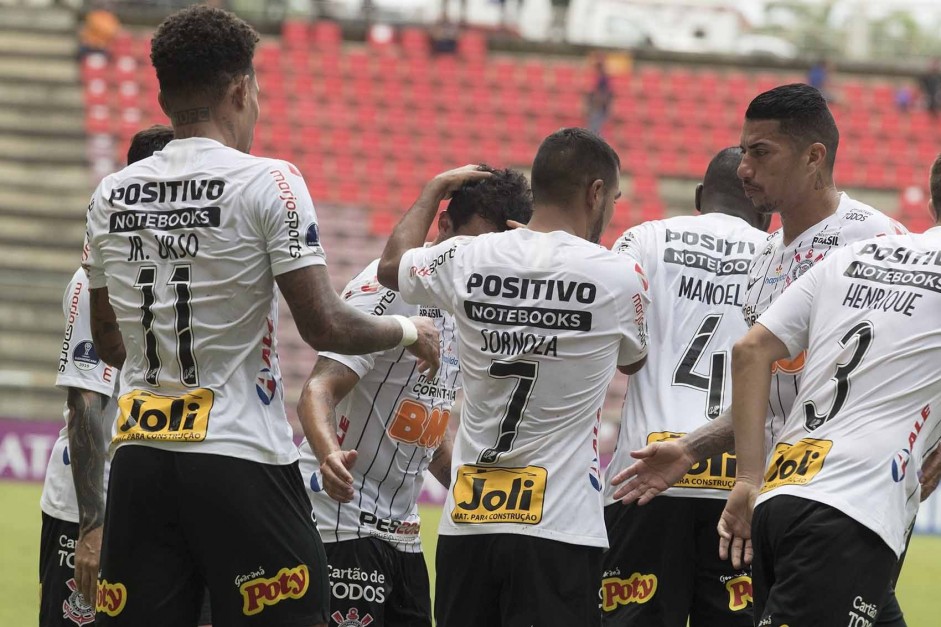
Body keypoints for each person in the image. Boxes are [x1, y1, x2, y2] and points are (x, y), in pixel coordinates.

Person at [82, 7, 439, 626]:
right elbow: (325, 325)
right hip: (237, 454)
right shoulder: (268, 180)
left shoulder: (112, 193)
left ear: (164, 92)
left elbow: (109, 342)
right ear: (240, 89)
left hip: (139, 457)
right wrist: (408, 329)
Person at [609, 83, 912, 626]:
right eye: (743, 151)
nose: (744, 168)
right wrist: (694, 447)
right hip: (785, 501)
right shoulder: (766, 261)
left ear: (814, 157)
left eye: (760, 152)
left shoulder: (874, 239)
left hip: (849, 496)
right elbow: (778, 401)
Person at [377, 128, 651, 627]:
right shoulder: (618, 275)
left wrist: (433, 190)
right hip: (561, 526)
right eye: (611, 198)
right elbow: (634, 361)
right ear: (594, 193)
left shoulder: (468, 257)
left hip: (468, 527)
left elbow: (391, 266)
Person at [298, 166, 533, 627]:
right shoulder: (386, 291)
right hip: (343, 520)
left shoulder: (471, 305)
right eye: (469, 246)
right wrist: (329, 456)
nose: (477, 262)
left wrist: (480, 493)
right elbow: (317, 389)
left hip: (404, 533)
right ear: (442, 226)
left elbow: (422, 427)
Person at [716, 155, 941, 625]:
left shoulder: (855, 255)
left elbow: (750, 351)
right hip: (852, 508)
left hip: (780, 495)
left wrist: (747, 479)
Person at [600, 146, 770, 627]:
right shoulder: (783, 257)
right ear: (764, 207)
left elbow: (612, 342)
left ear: (699, 196)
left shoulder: (644, 238)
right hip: (743, 486)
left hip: (644, 479)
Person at [38, 125, 176, 627]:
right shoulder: (95, 278)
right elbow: (87, 401)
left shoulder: (177, 267)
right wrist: (92, 526)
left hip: (154, 500)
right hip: (88, 507)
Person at [586, 58, 613, 136]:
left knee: (595, 128)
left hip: (599, 107)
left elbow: (603, 94)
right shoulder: (600, 77)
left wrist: (597, 103)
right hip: (596, 106)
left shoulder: (603, 78)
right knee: (594, 127)